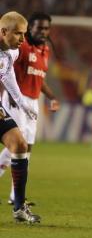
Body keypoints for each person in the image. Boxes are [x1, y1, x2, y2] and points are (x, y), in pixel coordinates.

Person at [0, 12, 59, 206]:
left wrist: (51, 97)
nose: (43, 32)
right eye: (39, 28)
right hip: (15, 100)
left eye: (46, 28)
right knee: (17, 145)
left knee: (26, 146)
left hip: (31, 100)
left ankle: (15, 196)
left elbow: (34, 78)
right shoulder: (21, 48)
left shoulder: (43, 50)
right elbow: (7, 73)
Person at [0, 11, 40, 223]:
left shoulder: (11, 52)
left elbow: (7, 74)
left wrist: (23, 103)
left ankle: (18, 208)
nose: (23, 39)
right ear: (4, 32)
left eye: (24, 34)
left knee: (19, 145)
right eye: (18, 34)